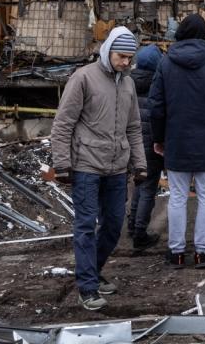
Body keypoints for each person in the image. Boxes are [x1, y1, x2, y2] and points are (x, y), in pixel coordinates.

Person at [51, 26, 147, 311]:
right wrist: (62, 164)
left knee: (114, 225)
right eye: (121, 56)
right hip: (86, 167)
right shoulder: (83, 78)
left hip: (117, 168)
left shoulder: (127, 82)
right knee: (85, 226)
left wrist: (139, 164)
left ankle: (93, 270)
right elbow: (63, 123)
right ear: (108, 51)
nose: (126, 63)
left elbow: (133, 127)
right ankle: (87, 288)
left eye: (130, 58)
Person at [149, 14, 205, 269]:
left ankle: (176, 252)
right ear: (204, 34)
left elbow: (156, 107)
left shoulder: (166, 64)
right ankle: (202, 252)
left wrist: (159, 138)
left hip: (175, 141)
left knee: (177, 197)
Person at [127, 44, 165, 251]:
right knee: (148, 187)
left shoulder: (127, 83)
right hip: (151, 144)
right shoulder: (158, 85)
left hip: (131, 144)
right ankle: (140, 233)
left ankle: (132, 226)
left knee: (137, 184)